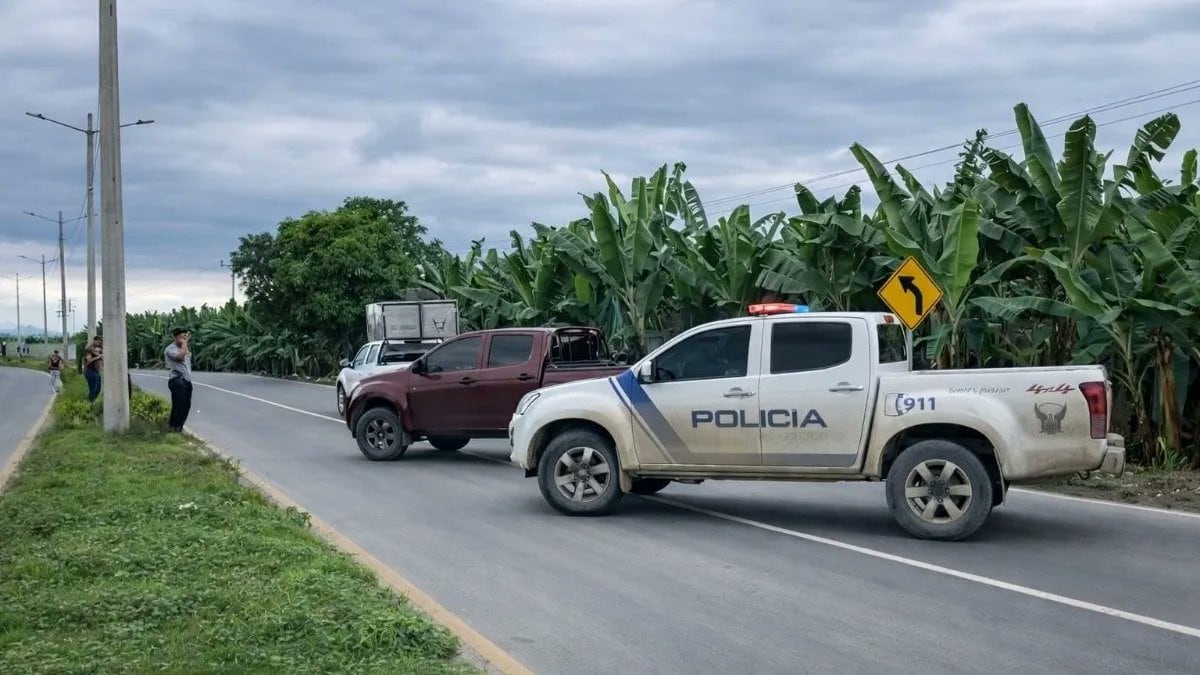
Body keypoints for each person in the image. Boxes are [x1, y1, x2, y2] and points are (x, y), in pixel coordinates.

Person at [165, 327, 192, 432]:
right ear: (175, 337)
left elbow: (187, 360)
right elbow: (180, 357)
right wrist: (184, 343)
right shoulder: (170, 349)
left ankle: (179, 427)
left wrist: (184, 344)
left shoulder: (184, 348)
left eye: (186, 336)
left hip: (186, 380)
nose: (184, 339)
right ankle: (174, 427)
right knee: (179, 405)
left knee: (186, 405)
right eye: (182, 337)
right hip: (176, 380)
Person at [84, 336, 103, 402]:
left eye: (100, 341)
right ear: (94, 341)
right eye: (98, 341)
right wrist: (98, 357)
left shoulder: (100, 348)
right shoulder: (89, 349)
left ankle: (92, 401)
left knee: (98, 389)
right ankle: (90, 402)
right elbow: (88, 361)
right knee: (93, 389)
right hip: (90, 371)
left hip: (96, 371)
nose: (99, 342)